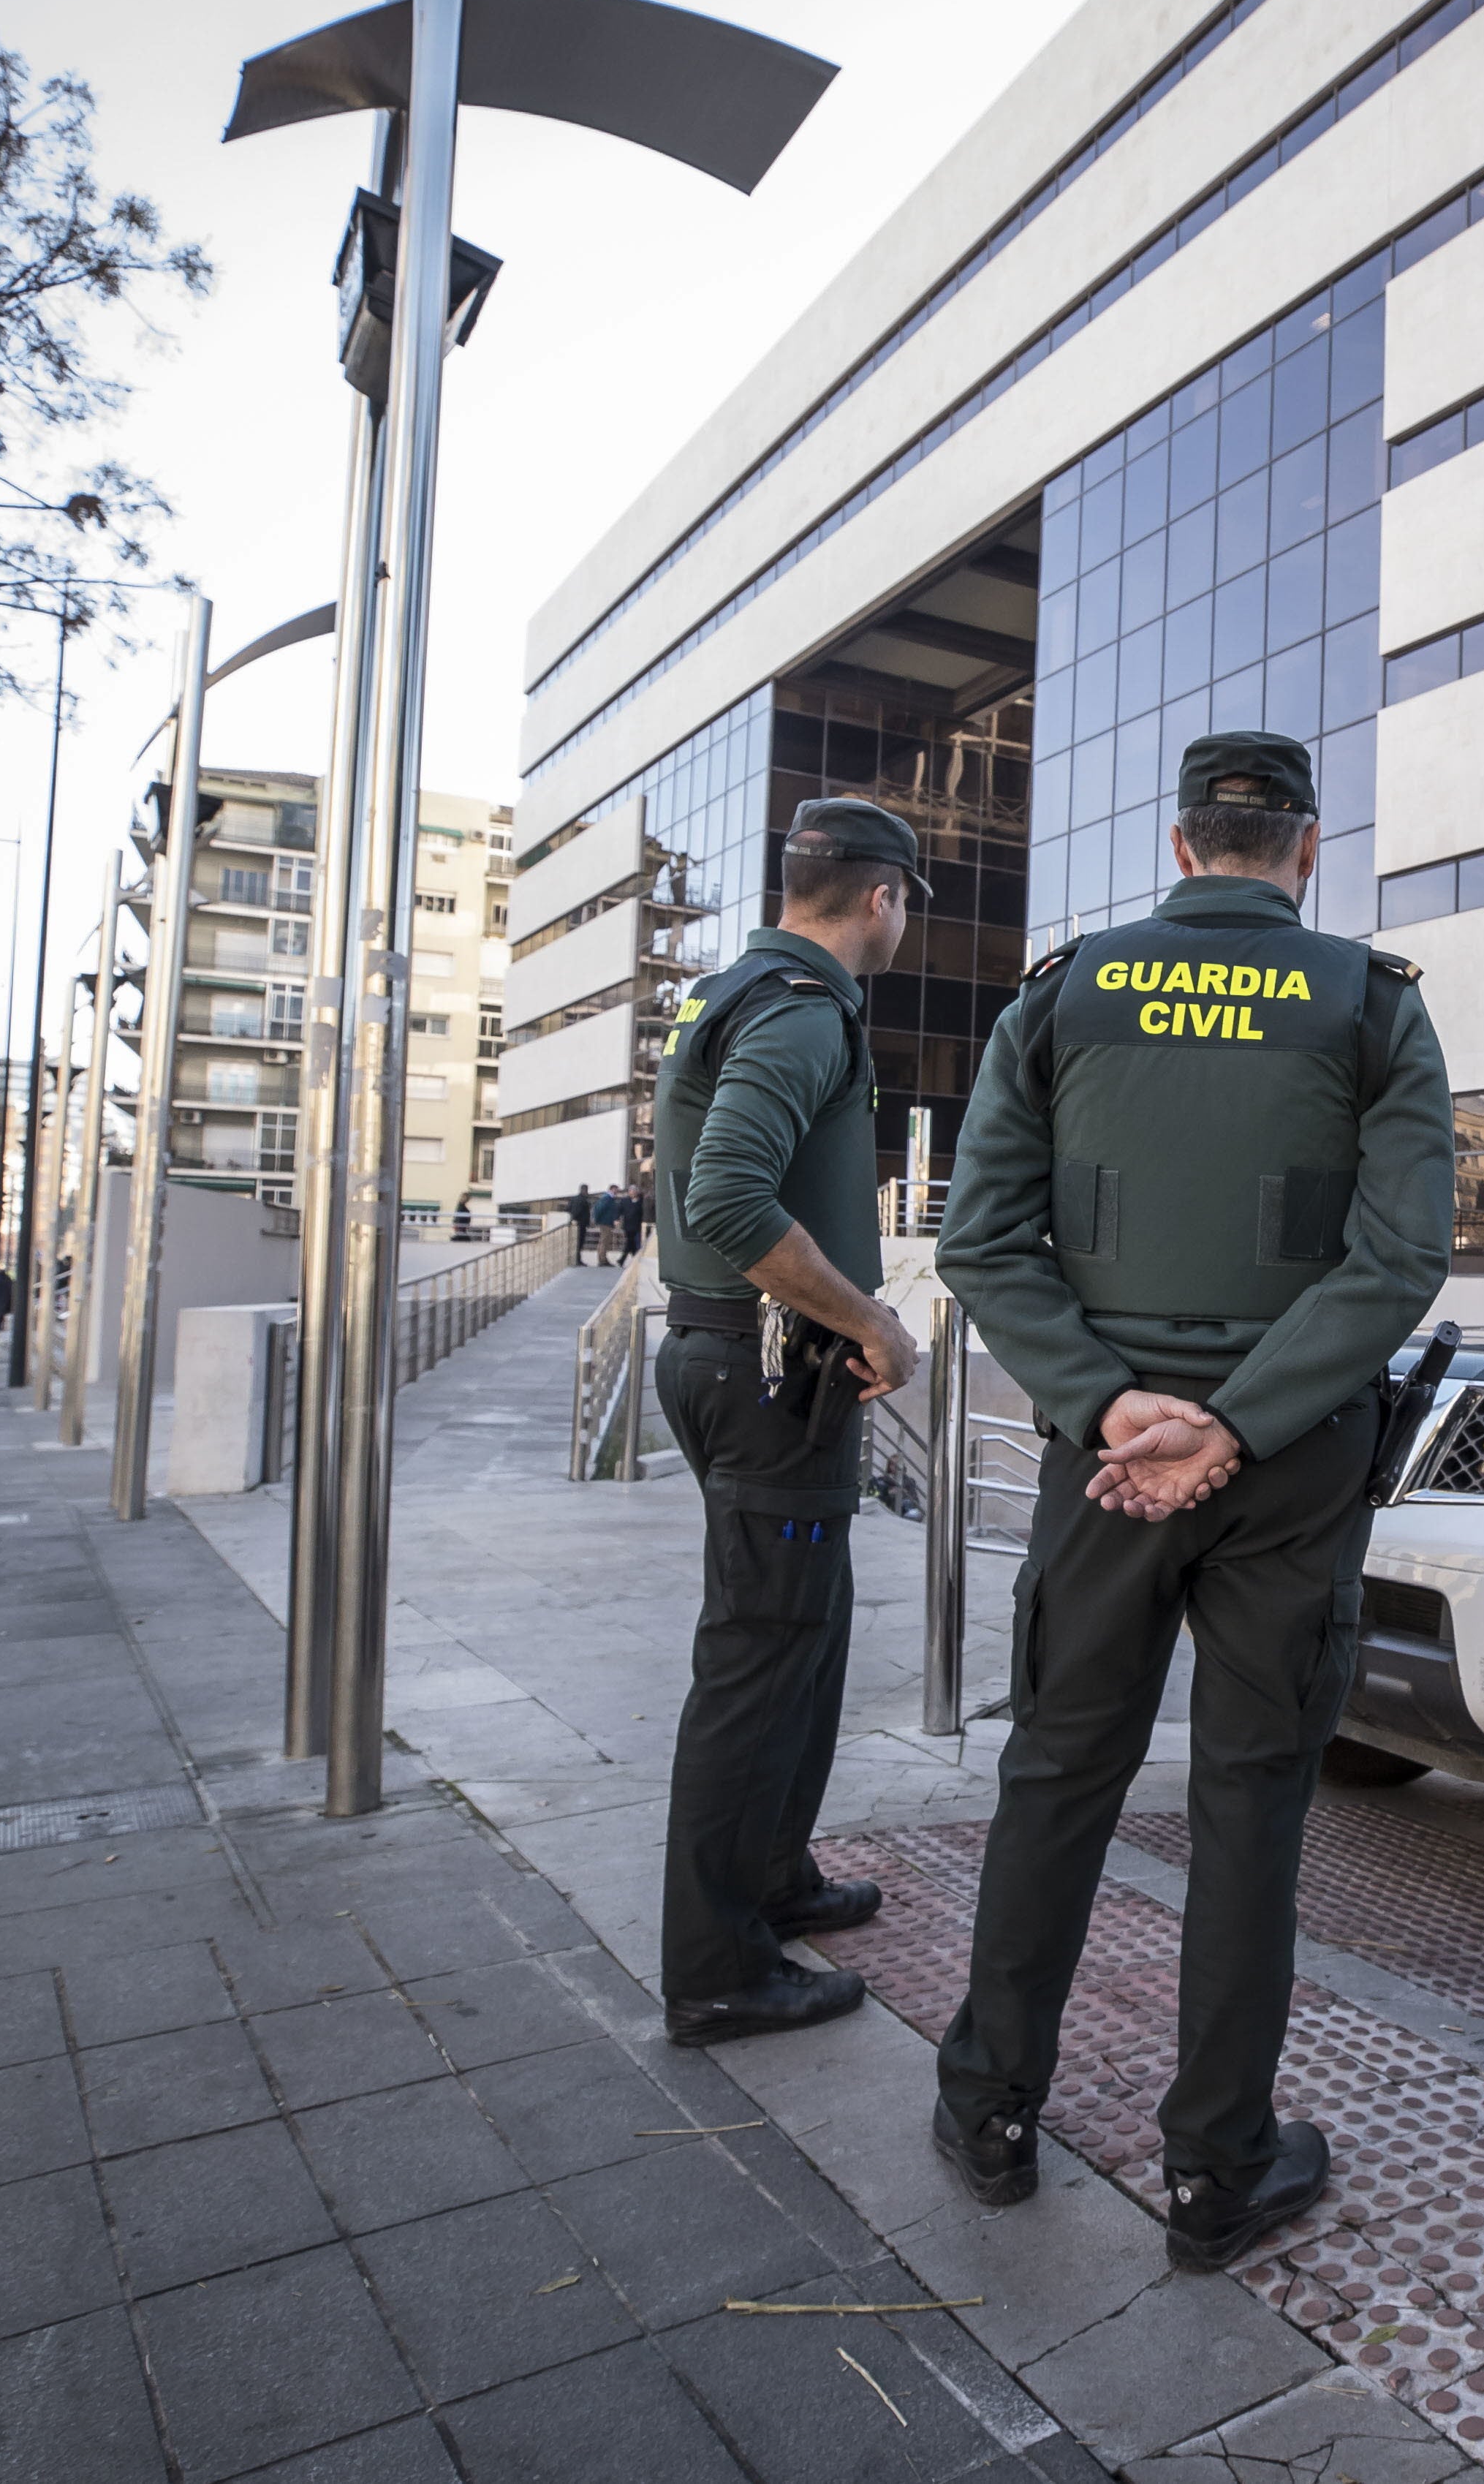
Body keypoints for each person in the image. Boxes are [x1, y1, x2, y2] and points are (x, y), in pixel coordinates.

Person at [932, 731, 1451, 2272]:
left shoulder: (1064, 991)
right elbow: (1394, 1261)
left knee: (1057, 1776)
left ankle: (988, 2111)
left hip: (1105, 1464)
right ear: (1303, 849)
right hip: (1285, 1467)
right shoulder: (1370, 1003)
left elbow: (982, 1237)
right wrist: (1233, 1423)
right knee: (1248, 1804)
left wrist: (1112, 1408)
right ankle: (1217, 2167)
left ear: (1178, 850)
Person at [649, 799, 928, 2045]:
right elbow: (725, 1195)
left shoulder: (737, 988)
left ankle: (773, 1881)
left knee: (800, 1638)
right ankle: (718, 1966)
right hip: (771, 1373)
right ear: (881, 898)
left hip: (744, 1368)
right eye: (906, 904)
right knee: (759, 1657)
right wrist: (870, 1318)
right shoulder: (805, 1007)